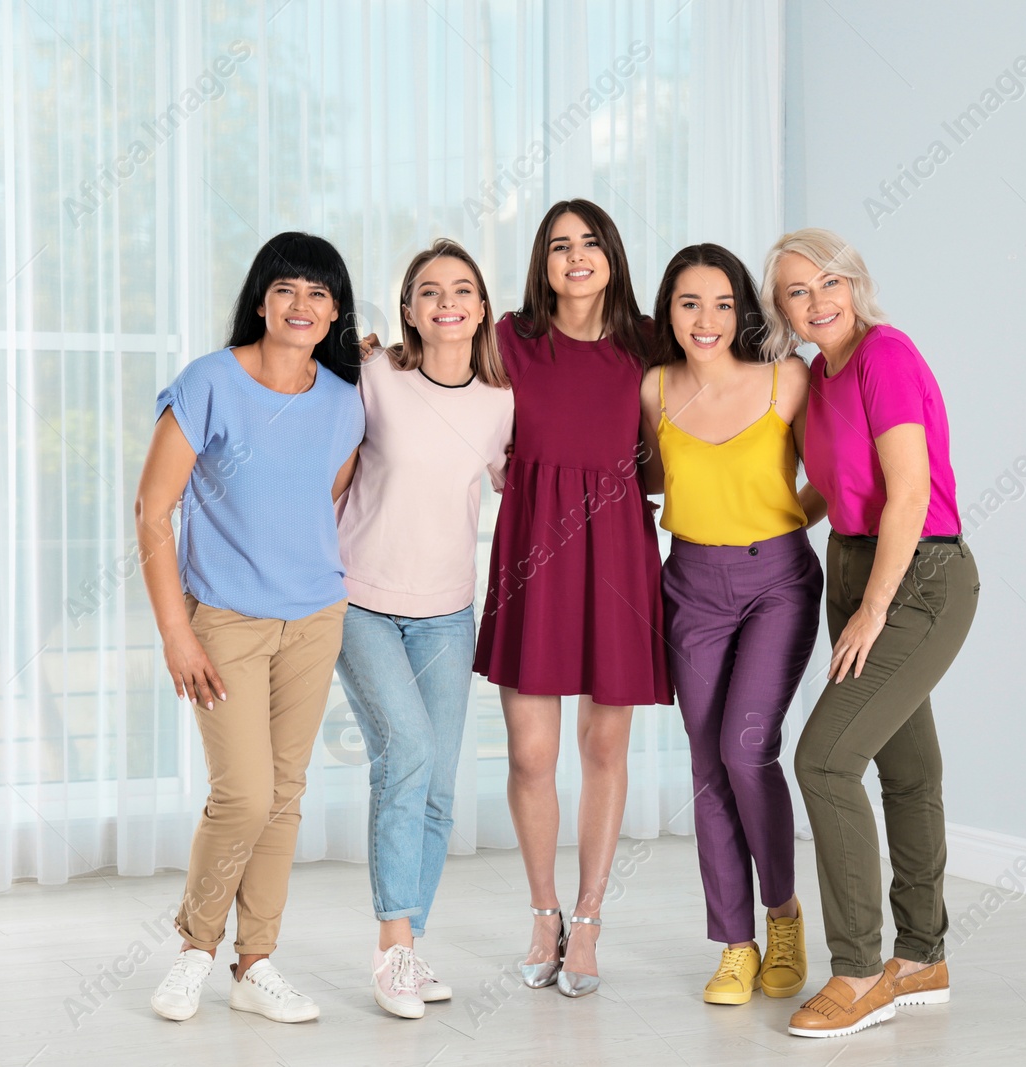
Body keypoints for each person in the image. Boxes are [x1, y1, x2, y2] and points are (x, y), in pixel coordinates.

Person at [136, 232, 365, 1024]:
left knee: (286, 795)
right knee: (245, 793)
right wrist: (177, 631)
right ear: (261, 299)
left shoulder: (343, 400)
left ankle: (254, 961)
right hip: (224, 619)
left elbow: (323, 498)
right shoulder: (209, 382)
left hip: (314, 618)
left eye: (319, 293)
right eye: (287, 288)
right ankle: (197, 947)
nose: (302, 305)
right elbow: (152, 509)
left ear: (336, 310)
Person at [759, 229, 980, 1039]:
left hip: (918, 575)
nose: (817, 301)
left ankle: (857, 971)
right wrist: (770, 523)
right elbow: (829, 485)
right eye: (796, 291)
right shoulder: (818, 376)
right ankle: (922, 956)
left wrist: (874, 607)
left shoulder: (886, 354)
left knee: (821, 759)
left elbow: (910, 490)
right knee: (908, 767)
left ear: (855, 284)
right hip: (854, 565)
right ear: (780, 309)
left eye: (829, 282)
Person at [474, 199, 672, 998]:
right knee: (529, 752)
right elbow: (443, 382)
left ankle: (588, 919)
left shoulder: (649, 339)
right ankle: (543, 911)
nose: (576, 256)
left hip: (618, 545)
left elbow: (674, 439)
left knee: (603, 747)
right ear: (542, 261)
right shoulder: (510, 338)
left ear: (613, 255)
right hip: (531, 548)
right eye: (560, 245)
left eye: (590, 242)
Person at [334, 239, 515, 1019]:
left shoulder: (503, 400)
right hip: (360, 599)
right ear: (408, 308)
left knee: (440, 786)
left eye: (463, 289)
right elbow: (326, 461)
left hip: (447, 609)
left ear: (481, 307)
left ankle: (409, 944)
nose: (448, 302)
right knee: (404, 755)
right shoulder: (376, 376)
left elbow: (524, 479)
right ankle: (393, 949)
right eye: (430, 291)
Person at [636, 243, 819, 1006]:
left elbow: (830, 480)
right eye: (688, 303)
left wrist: (774, 532)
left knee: (748, 750)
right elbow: (649, 479)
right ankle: (734, 944)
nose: (704, 320)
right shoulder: (653, 387)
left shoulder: (787, 379)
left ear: (741, 310)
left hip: (777, 580)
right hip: (691, 586)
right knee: (708, 765)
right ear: (668, 313)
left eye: (719, 303)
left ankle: (783, 915)